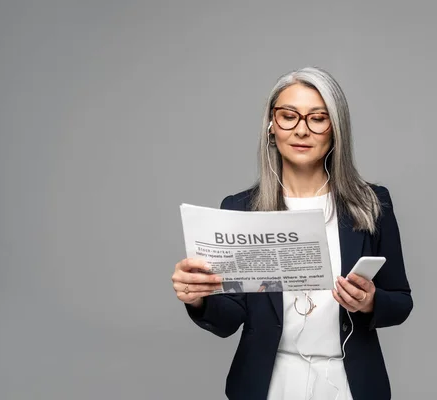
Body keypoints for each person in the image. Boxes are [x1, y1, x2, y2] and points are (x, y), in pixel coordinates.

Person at [172, 67, 413, 400]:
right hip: (269, 383)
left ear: (336, 129)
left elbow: (401, 301)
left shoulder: (372, 203)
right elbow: (229, 319)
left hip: (347, 382)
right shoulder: (241, 208)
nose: (302, 130)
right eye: (289, 116)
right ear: (272, 126)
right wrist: (198, 298)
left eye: (317, 118)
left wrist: (371, 302)